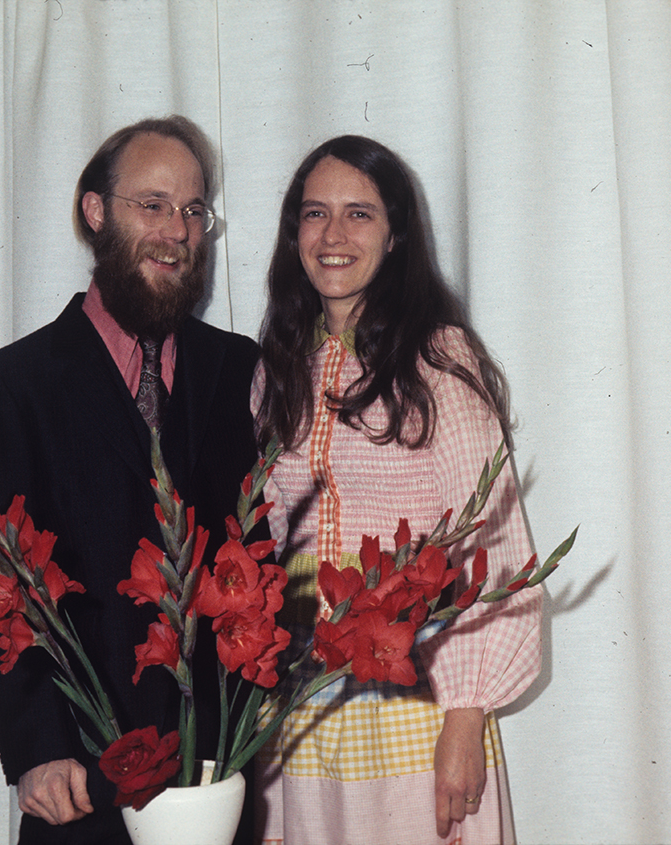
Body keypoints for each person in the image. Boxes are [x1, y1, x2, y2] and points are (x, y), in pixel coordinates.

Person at [0, 116, 260, 845]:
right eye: (153, 204)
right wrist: (35, 746)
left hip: (217, 776)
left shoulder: (238, 368)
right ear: (95, 211)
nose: (178, 231)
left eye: (194, 210)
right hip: (79, 781)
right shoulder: (12, 384)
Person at [251, 135, 542, 844]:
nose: (333, 235)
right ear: (294, 233)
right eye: (315, 213)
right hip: (305, 706)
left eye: (360, 213)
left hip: (416, 698)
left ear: (395, 235)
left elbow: (492, 538)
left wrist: (466, 714)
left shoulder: (437, 360)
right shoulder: (275, 372)